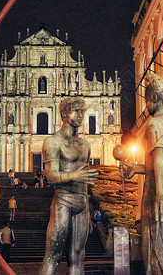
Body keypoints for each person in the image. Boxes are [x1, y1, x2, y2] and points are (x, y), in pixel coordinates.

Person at [118, 73, 163, 274]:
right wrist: (136, 169)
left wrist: (160, 193)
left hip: (158, 190)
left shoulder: (155, 123)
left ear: (153, 99)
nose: (146, 106)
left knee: (155, 249)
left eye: (146, 101)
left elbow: (161, 159)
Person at [39, 98, 98, 275]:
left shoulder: (85, 145)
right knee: (53, 256)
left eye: (83, 111)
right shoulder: (53, 142)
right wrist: (75, 175)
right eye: (76, 111)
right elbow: (50, 175)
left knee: (78, 257)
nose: (81, 115)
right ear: (64, 114)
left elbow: (85, 175)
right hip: (63, 201)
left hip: (82, 203)